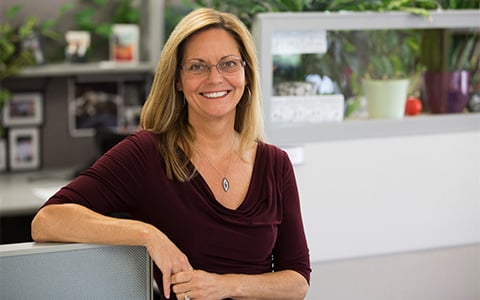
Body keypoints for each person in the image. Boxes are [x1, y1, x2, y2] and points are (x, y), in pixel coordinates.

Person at [31, 8, 311, 300]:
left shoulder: (276, 164)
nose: (215, 78)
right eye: (197, 66)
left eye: (228, 64)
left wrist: (226, 285)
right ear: (178, 80)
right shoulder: (147, 153)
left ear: (246, 74)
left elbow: (297, 281)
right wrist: (148, 235)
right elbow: (47, 220)